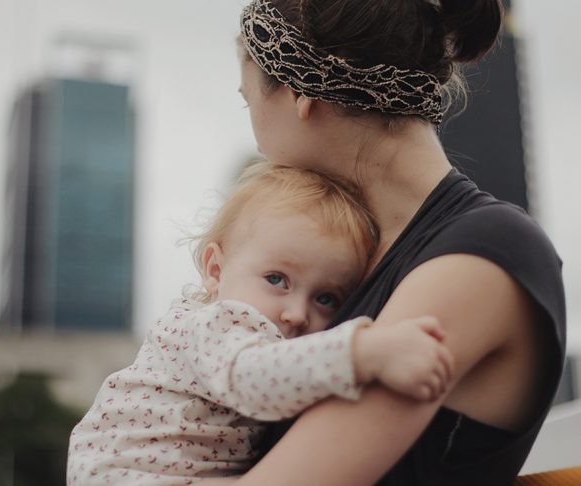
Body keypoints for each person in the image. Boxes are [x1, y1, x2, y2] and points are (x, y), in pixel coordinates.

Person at [208, 0, 565, 485]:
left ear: (299, 96)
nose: (257, 140)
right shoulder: (344, 258)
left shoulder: (486, 250)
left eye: (248, 102)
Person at [67, 162, 455, 485]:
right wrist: (363, 352)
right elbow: (252, 377)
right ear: (216, 269)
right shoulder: (215, 326)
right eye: (276, 280)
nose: (297, 314)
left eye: (326, 299)